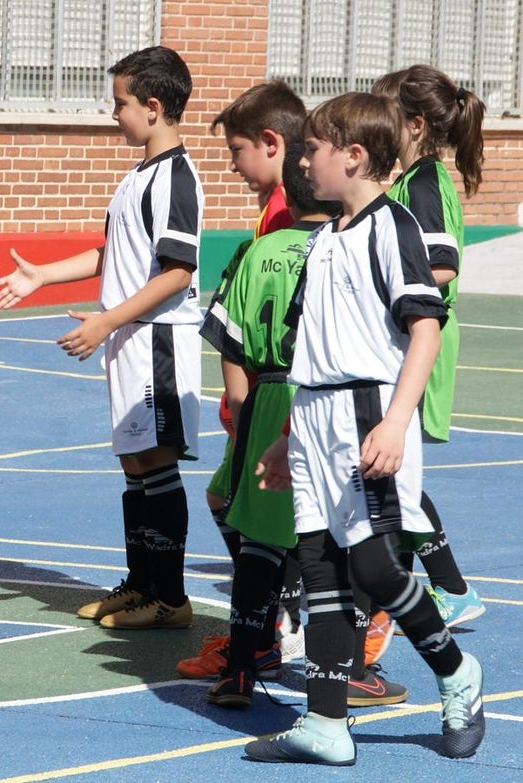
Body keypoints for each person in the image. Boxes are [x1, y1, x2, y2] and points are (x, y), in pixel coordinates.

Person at [244, 92, 484, 765]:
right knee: (319, 567)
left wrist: (398, 420)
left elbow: (425, 327)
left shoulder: (391, 226)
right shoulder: (322, 241)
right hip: (315, 417)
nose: (302, 161)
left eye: (312, 149)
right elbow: (313, 346)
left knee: (374, 565)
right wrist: (289, 436)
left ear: (352, 156)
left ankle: (454, 669)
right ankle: (325, 722)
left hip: (366, 415)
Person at [0, 46, 201, 630]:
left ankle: (171, 597)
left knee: (157, 463)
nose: (114, 115)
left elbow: (178, 270)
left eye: (120, 104)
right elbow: (116, 253)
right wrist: (42, 276)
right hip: (129, 337)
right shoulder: (139, 176)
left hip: (157, 341)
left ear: (153, 108)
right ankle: (143, 583)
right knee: (135, 463)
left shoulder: (176, 178)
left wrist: (108, 319)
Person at [191, 146, 335, 705]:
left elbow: (227, 335)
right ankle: (339, 672)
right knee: (331, 542)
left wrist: (241, 405)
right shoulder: (342, 248)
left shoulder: (258, 251)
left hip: (267, 393)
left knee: (258, 545)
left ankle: (242, 670)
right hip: (324, 396)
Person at [182, 80, 308, 677]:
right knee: (231, 504)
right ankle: (274, 620)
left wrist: (242, 400)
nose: (233, 167)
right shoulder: (277, 210)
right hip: (267, 396)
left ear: (270, 142)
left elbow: (249, 318)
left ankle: (269, 632)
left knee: (254, 516)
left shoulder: (287, 218)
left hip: (275, 398)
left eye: (235, 151)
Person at [371, 65, 486, 629]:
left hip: (423, 339)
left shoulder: (421, 185)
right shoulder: (410, 180)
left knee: (396, 472)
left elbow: (440, 267)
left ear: (414, 125)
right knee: (392, 473)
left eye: (384, 118)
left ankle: (449, 589)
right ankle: (411, 584)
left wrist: (380, 287)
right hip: (415, 336)